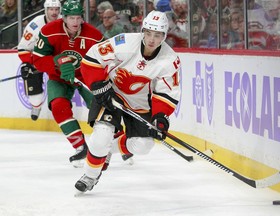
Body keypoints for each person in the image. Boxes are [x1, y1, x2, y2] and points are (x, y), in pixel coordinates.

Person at [75, 10, 181, 193]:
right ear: (143, 30)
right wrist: (99, 85)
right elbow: (93, 58)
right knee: (101, 136)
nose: (151, 39)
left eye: (157, 35)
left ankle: (109, 151)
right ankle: (90, 176)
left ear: (164, 36)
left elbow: (166, 92)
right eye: (148, 33)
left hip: (140, 103)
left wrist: (161, 117)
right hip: (111, 93)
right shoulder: (124, 42)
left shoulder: (169, 60)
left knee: (143, 145)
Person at [32, 0, 104, 167]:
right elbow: (37, 59)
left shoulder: (93, 35)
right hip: (58, 78)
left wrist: (91, 73)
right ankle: (80, 147)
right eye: (71, 18)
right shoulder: (49, 31)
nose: (75, 22)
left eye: (78, 18)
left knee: (100, 107)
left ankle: (112, 143)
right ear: (64, 18)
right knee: (58, 106)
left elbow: (106, 58)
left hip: (86, 77)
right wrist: (57, 62)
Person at [18, 0, 62, 121]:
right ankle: (36, 105)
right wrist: (29, 63)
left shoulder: (66, 22)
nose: (54, 12)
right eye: (51, 9)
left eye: (56, 9)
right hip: (37, 58)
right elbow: (23, 48)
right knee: (35, 94)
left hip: (57, 58)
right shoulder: (35, 25)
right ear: (46, 10)